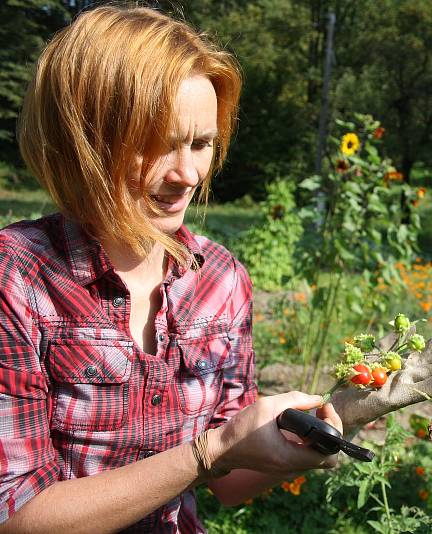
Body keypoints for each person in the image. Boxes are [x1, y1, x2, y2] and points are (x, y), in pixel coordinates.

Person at [0, 7, 344, 532]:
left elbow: (228, 482)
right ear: (82, 139)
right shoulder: (19, 278)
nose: (187, 174)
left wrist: (348, 408)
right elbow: (20, 517)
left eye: (201, 144)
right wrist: (212, 449)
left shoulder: (220, 280)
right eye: (154, 143)